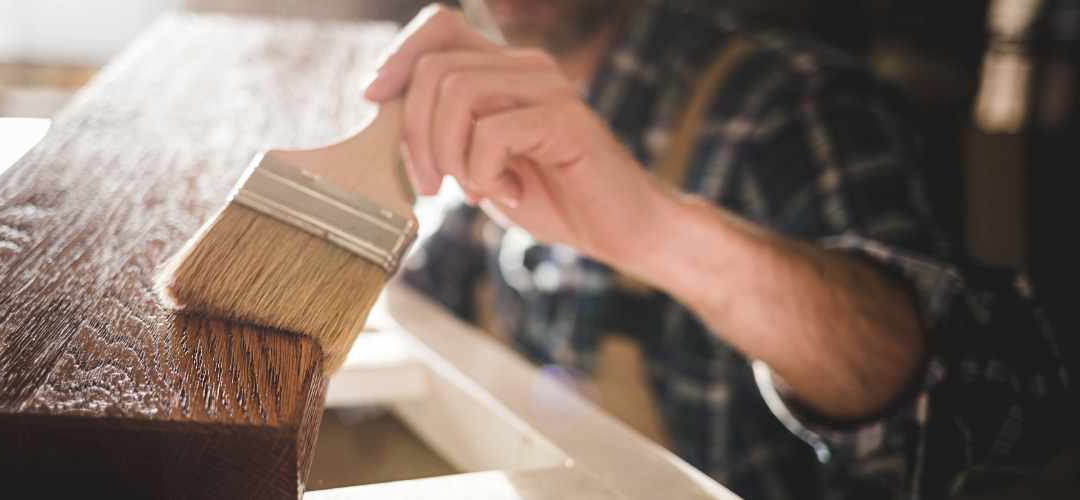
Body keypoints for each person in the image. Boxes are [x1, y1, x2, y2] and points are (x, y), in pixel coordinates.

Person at [360, 1, 1074, 498]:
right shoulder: (480, 101)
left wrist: (660, 233)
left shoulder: (789, 104)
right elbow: (426, 302)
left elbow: (1011, 404)